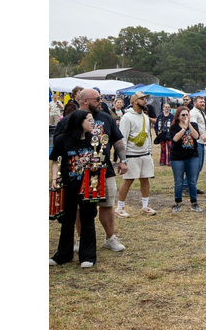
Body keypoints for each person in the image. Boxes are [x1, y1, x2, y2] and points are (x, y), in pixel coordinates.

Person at [53, 88, 127, 253]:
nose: (101, 102)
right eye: (97, 99)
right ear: (85, 101)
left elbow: (117, 140)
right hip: (77, 173)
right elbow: (59, 146)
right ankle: (82, 238)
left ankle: (110, 238)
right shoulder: (67, 121)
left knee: (107, 205)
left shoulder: (105, 117)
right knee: (81, 208)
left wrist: (123, 160)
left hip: (104, 170)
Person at [49, 110, 98, 268]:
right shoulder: (62, 140)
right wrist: (54, 179)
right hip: (69, 186)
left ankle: (88, 256)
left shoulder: (94, 139)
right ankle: (63, 255)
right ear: (79, 122)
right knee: (67, 220)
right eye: (89, 120)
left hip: (89, 186)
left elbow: (99, 159)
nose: (92, 123)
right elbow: (55, 161)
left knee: (88, 220)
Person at [116, 91, 157, 217]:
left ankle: (145, 205)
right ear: (134, 101)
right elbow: (122, 138)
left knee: (145, 179)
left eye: (145, 98)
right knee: (128, 180)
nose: (145, 101)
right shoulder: (127, 117)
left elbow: (148, 135)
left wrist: (149, 151)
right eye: (142, 99)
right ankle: (120, 207)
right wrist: (123, 158)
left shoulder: (145, 116)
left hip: (144, 154)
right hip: (131, 154)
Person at [168, 106, 203, 213]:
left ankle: (194, 203)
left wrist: (189, 125)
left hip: (192, 156)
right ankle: (178, 203)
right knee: (178, 181)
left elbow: (196, 136)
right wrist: (183, 128)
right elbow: (175, 138)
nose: (185, 117)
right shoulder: (173, 127)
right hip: (177, 157)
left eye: (187, 114)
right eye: (183, 115)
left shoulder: (194, 125)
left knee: (192, 181)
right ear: (178, 116)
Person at [189, 96, 206, 194]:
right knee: (196, 166)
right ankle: (188, 186)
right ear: (194, 103)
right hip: (197, 142)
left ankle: (192, 185)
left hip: (202, 142)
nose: (203, 103)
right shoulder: (193, 113)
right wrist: (201, 135)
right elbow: (194, 125)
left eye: (203, 102)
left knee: (199, 166)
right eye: (200, 102)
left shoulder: (201, 112)